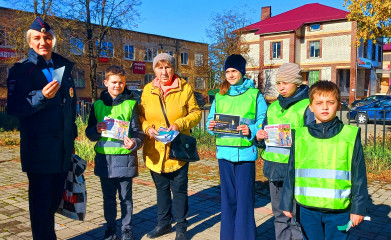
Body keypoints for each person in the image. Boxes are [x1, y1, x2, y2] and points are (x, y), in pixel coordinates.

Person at [6, 16, 77, 240]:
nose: (42, 42)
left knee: (54, 202)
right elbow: (15, 107)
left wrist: (72, 137)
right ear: (30, 42)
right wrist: (41, 96)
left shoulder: (63, 67)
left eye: (46, 37)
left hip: (62, 150)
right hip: (39, 151)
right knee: (41, 208)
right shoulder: (21, 70)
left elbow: (70, 107)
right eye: (37, 38)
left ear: (52, 41)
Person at [281, 81, 368, 240]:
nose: (325, 107)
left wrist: (358, 208)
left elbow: (359, 176)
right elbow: (291, 170)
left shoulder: (349, 136)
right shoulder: (300, 136)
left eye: (330, 102)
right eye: (319, 103)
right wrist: (286, 202)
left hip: (339, 212)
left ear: (339, 105)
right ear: (311, 107)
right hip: (307, 210)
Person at [139, 53, 201, 240]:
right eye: (159, 67)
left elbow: (196, 113)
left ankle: (182, 228)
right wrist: (147, 128)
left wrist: (179, 124)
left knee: (180, 190)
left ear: (174, 68)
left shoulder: (185, 88)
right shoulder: (148, 90)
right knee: (161, 189)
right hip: (155, 150)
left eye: (168, 67)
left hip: (178, 149)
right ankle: (163, 224)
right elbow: (140, 116)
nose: (164, 71)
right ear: (154, 69)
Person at [206, 54, 267, 240]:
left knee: (244, 202)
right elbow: (211, 120)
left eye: (234, 71)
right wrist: (211, 127)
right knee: (228, 201)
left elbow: (263, 122)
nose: (231, 75)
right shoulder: (220, 96)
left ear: (242, 71)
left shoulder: (255, 95)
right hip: (224, 154)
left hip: (245, 155)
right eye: (227, 72)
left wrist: (251, 129)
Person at [85, 65, 144, 240]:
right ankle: (110, 229)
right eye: (113, 82)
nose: (117, 86)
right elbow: (89, 133)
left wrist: (134, 142)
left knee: (126, 199)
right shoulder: (96, 105)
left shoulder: (131, 104)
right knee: (108, 199)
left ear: (125, 84)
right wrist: (95, 129)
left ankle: (126, 230)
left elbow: (138, 132)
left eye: (121, 83)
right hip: (104, 160)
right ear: (106, 82)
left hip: (125, 159)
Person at [255, 63, 313, 240]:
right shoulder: (272, 107)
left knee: (295, 216)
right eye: (279, 83)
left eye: (286, 83)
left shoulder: (307, 106)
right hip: (274, 169)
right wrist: (259, 137)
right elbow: (264, 137)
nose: (282, 87)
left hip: (295, 171)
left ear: (297, 83)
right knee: (279, 215)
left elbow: (312, 139)